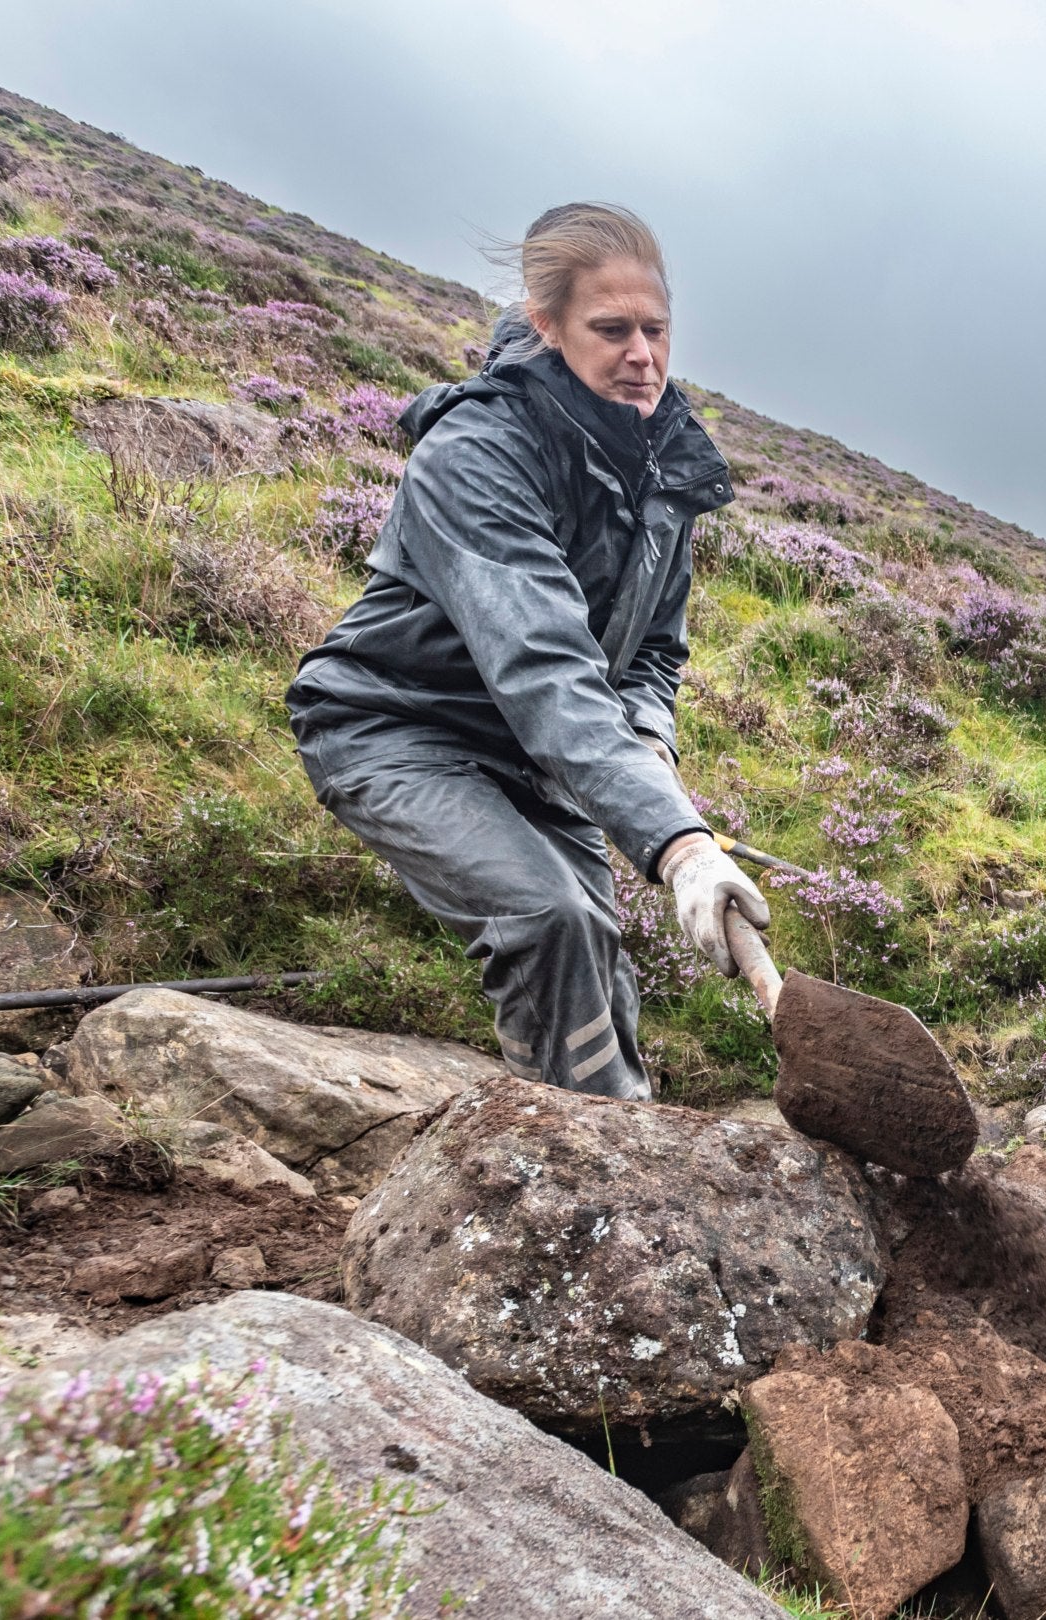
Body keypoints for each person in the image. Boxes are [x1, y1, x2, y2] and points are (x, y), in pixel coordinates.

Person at [286, 202, 765, 1101]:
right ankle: (577, 1169)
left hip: (543, 761)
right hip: (399, 731)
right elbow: (543, 667)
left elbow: (656, 647)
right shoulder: (476, 454)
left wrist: (649, 739)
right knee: (551, 920)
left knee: (595, 940)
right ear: (547, 327)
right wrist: (681, 845)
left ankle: (613, 1135)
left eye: (656, 330)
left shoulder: (665, 470)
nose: (643, 356)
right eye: (611, 329)